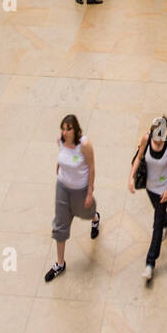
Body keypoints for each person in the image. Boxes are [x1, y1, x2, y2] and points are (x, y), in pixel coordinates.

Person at [45, 113, 100, 281]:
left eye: (68, 129)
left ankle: (95, 218)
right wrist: (58, 167)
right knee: (60, 224)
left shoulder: (84, 145)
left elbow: (91, 167)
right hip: (62, 187)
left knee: (85, 213)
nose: (65, 132)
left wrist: (90, 191)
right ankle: (60, 263)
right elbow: (61, 156)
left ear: (75, 130)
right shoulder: (60, 141)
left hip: (80, 189)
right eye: (63, 129)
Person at [129, 116, 167, 284]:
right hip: (149, 187)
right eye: (154, 137)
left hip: (163, 190)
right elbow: (138, 157)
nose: (157, 141)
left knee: (156, 225)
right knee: (160, 215)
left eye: (160, 137)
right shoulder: (146, 139)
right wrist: (131, 177)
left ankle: (150, 263)